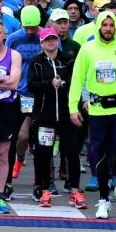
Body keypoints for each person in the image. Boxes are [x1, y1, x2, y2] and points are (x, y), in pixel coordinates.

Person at [68, 10, 116, 219]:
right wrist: (73, 107)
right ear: (99, 26)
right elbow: (77, 79)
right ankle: (103, 199)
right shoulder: (88, 49)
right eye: (105, 25)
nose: (108, 29)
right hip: (98, 109)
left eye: (112, 25)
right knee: (100, 153)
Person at [27, 26, 82, 209]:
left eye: (53, 38)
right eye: (47, 39)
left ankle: (75, 190)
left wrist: (63, 84)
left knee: (72, 152)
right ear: (41, 43)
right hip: (44, 116)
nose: (51, 42)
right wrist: (50, 84)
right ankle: (44, 190)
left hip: (67, 115)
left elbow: (76, 81)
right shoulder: (36, 61)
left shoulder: (68, 59)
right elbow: (31, 85)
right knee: (43, 153)